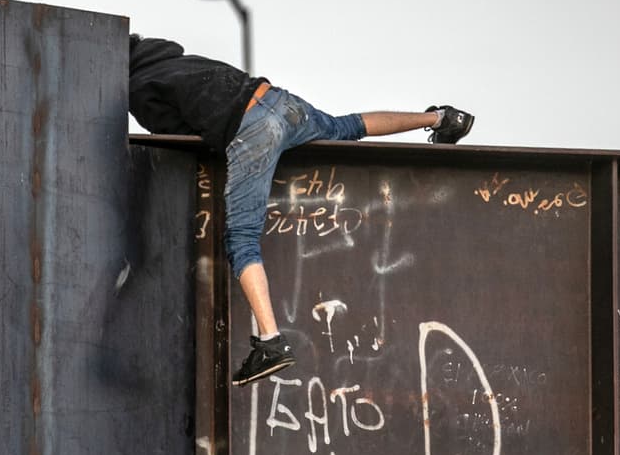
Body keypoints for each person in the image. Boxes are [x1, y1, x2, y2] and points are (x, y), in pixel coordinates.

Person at [128, 34, 473, 386]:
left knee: (241, 237)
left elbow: (183, 139)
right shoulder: (182, 61)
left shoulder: (139, 86)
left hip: (251, 129)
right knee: (346, 126)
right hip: (281, 103)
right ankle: (440, 119)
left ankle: (270, 342)